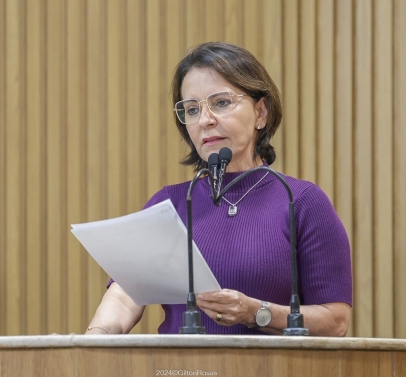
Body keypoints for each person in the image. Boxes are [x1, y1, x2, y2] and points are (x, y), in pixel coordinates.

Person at [86, 42, 352, 336]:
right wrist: (95, 337)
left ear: (261, 112)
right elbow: (124, 296)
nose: (205, 120)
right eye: (191, 109)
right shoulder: (171, 203)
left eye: (221, 103)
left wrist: (256, 313)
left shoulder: (300, 201)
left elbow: (335, 321)